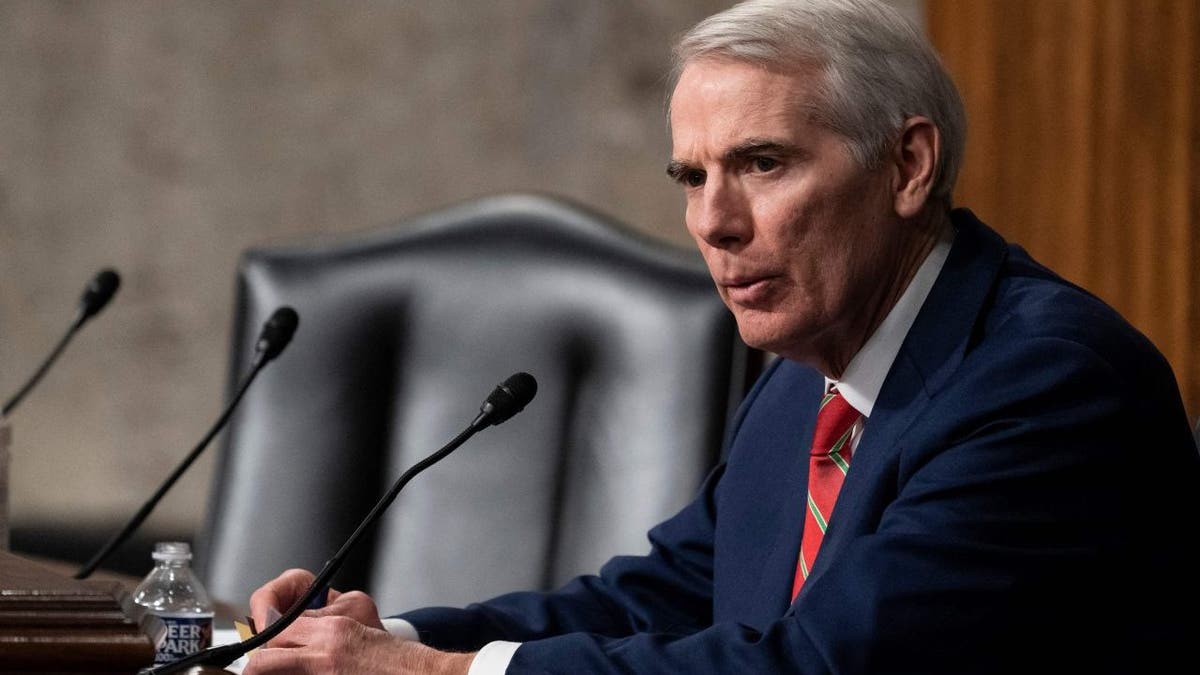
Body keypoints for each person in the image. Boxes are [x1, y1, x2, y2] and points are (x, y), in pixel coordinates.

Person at [244, 0, 1200, 672]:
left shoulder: (1046, 382)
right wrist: (388, 635)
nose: (714, 221)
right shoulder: (808, 377)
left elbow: (825, 663)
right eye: (692, 178)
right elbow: (672, 596)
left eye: (762, 163)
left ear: (908, 166)